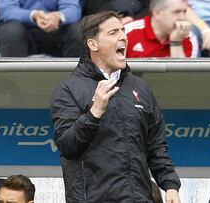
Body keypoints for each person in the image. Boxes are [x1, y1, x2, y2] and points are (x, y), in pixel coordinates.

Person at [51, 10, 181, 203]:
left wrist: (170, 186)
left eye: (123, 30)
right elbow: (68, 147)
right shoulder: (68, 89)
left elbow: (156, 145)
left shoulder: (140, 87)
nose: (123, 37)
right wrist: (94, 113)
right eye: (113, 33)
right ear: (93, 44)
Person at [0, 0, 84, 57]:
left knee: (78, 31)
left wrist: (58, 16)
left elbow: (73, 9)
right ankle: (14, 80)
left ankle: (74, 82)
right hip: (20, 31)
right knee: (12, 32)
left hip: (55, 30)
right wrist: (33, 16)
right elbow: (7, 10)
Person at [124, 0, 199, 58]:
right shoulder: (129, 32)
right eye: (177, 12)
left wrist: (176, 43)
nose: (182, 18)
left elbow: (183, 77)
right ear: (157, 13)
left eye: (184, 12)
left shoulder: (189, 37)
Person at [82, 0, 150, 25]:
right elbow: (96, 8)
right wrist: (116, 20)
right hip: (104, 22)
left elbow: (150, 8)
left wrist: (132, 18)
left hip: (137, 22)